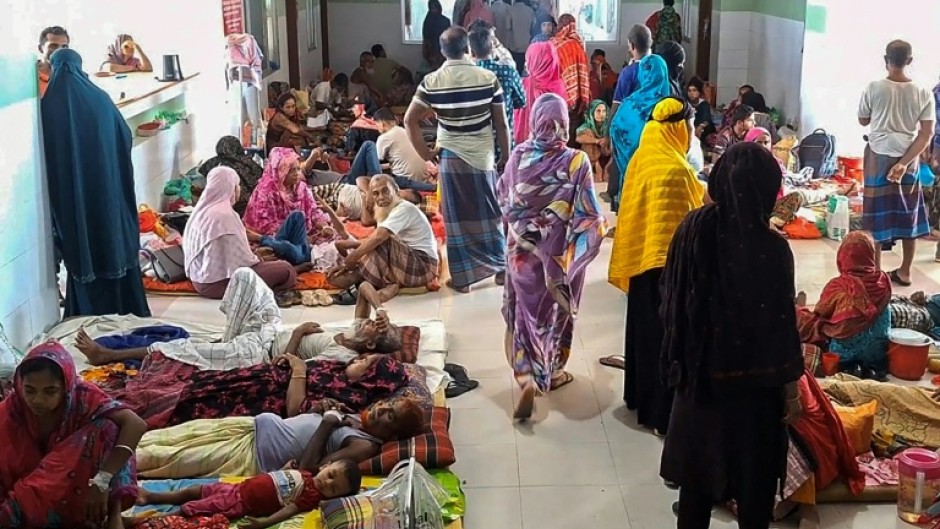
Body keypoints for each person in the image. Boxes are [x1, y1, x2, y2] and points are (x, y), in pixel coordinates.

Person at [659, 143, 804, 529]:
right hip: (756, 396)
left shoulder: (693, 229)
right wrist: (792, 393)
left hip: (699, 384)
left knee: (695, 488)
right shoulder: (774, 250)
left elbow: (672, 297)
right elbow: (782, 326)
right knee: (755, 492)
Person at [500, 93, 607, 419]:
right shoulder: (577, 161)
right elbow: (590, 215)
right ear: (564, 123)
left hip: (521, 256)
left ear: (535, 121)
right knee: (553, 318)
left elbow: (504, 199)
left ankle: (526, 376)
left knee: (523, 316)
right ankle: (553, 372)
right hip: (558, 262)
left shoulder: (518, 155)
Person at [608, 97, 706, 434]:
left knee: (645, 333)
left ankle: (640, 399)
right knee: (667, 338)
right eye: (690, 127)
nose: (692, 134)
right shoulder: (676, 170)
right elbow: (691, 220)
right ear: (677, 128)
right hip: (670, 269)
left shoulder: (642, 158)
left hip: (642, 262)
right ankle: (661, 415)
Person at [41, 48, 150, 317]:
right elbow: (124, 135)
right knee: (112, 239)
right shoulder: (99, 98)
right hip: (110, 193)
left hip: (75, 198)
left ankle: (87, 315)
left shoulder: (49, 105)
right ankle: (126, 310)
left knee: (86, 245)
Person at [404, 26, 511, 293]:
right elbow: (501, 124)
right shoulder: (487, 78)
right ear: (468, 47)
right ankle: (501, 269)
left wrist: (425, 153)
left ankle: (463, 279)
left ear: (442, 51)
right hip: (482, 157)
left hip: (450, 158)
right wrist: (506, 158)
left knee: (456, 220)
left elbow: (409, 120)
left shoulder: (432, 81)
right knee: (490, 213)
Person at [0, 342, 147, 529]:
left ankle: (113, 514)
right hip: (27, 495)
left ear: (66, 386)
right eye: (29, 390)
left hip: (72, 485)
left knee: (109, 428)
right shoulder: (10, 412)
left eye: (50, 391)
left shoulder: (82, 397)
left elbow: (135, 423)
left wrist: (102, 479)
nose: (38, 400)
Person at [136, 398, 426, 478]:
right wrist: (318, 409)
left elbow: (310, 470)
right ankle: (117, 444)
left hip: (250, 457)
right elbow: (303, 424)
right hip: (248, 427)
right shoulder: (354, 419)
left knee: (165, 458)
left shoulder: (364, 445)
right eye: (387, 404)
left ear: (393, 434)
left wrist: (327, 424)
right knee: (168, 437)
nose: (381, 409)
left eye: (390, 416)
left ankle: (115, 469)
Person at [77, 267, 283, 370]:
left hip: (262, 348)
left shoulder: (254, 345)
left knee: (184, 350)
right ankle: (227, 338)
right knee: (247, 275)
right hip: (267, 333)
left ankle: (108, 355)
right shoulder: (270, 315)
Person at [858, 39, 935, 286]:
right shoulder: (923, 92)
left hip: (877, 155)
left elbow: (863, 120)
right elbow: (926, 133)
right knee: (908, 211)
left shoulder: (873, 87)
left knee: (876, 214)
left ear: (885, 59)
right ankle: (905, 271)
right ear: (909, 60)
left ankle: (876, 273)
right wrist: (903, 163)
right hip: (908, 156)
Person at [135, 459, 361, 529]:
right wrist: (284, 468)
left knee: (192, 509)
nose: (326, 483)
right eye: (330, 475)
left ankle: (150, 521)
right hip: (235, 488)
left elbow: (290, 509)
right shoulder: (307, 474)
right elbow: (278, 481)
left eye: (333, 489)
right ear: (326, 466)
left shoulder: (312, 495)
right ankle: (152, 497)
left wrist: (264, 523)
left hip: (239, 501)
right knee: (195, 491)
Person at [183, 168, 297, 299]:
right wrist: (258, 259)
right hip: (219, 285)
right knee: (286, 269)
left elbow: (225, 252)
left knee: (272, 262)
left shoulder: (200, 211)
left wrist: (255, 255)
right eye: (237, 185)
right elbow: (242, 265)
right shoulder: (225, 215)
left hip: (198, 280)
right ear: (230, 188)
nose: (239, 189)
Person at [797, 232, 892, 381]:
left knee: (805, 319)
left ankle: (850, 366)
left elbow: (820, 312)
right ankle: (869, 367)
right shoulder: (883, 281)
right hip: (878, 355)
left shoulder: (837, 287)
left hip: (842, 355)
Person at [329, 175, 439, 301]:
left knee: (381, 239)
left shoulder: (404, 208)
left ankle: (360, 281)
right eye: (375, 194)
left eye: (385, 191)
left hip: (423, 267)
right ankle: (387, 284)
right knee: (374, 243)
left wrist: (353, 257)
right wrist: (353, 248)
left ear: (395, 190)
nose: (381, 197)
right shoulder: (384, 210)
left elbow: (379, 237)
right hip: (406, 261)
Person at [607, 54, 672, 213]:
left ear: (642, 74)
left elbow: (615, 128)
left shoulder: (630, 103)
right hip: (660, 173)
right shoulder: (671, 107)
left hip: (631, 168)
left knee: (632, 210)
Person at [604, 24, 653, 207]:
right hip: (653, 130)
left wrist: (608, 133)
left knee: (625, 170)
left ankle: (621, 204)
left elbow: (616, 105)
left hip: (629, 132)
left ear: (632, 46)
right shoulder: (658, 69)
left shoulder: (629, 73)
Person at [344, 108, 436, 190]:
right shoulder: (404, 131)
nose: (377, 127)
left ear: (382, 123)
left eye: (376, 124)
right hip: (421, 178)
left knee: (369, 151)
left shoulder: (384, 138)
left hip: (404, 179)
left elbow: (375, 162)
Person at [470, 24, 526, 155]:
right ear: (492, 47)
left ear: (471, 51)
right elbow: (522, 101)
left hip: (475, 149)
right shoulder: (508, 70)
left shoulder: (466, 74)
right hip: (504, 146)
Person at [744, 127, 803, 230]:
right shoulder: (742, 162)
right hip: (750, 205)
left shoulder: (776, 163)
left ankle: (771, 222)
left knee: (797, 196)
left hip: (771, 204)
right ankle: (766, 223)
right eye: (759, 142)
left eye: (766, 142)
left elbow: (780, 186)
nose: (763, 146)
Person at [514, 41, 566, 144]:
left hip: (526, 146)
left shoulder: (523, 84)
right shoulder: (559, 86)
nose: (525, 64)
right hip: (554, 146)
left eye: (528, 60)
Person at [198, 136, 264, 216]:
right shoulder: (249, 163)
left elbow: (200, 179)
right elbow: (262, 178)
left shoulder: (212, 163)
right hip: (251, 207)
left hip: (221, 208)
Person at [551, 14, 590, 123]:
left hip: (557, 92)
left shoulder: (552, 43)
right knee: (572, 123)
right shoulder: (577, 44)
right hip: (575, 94)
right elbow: (583, 71)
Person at [576, 100, 611, 179]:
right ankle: (594, 167)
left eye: (604, 111)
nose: (601, 114)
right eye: (598, 111)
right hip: (593, 153)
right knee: (588, 134)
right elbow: (578, 138)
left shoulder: (608, 125)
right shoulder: (587, 126)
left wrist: (606, 140)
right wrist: (597, 141)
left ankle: (608, 169)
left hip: (606, 151)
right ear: (592, 112)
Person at [37, 26, 69, 98]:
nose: (59, 50)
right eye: (53, 46)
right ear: (40, 48)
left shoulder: (72, 76)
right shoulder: (28, 75)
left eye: (64, 46)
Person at [422, 0, 451, 70]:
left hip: (443, 49)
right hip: (431, 50)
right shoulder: (428, 21)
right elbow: (425, 38)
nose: (433, 10)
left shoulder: (445, 21)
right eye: (431, 8)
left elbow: (449, 37)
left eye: (435, 7)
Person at [508, 0, 534, 72]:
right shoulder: (530, 10)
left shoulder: (510, 10)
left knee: (515, 69)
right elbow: (533, 27)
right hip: (526, 45)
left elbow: (507, 26)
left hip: (514, 46)